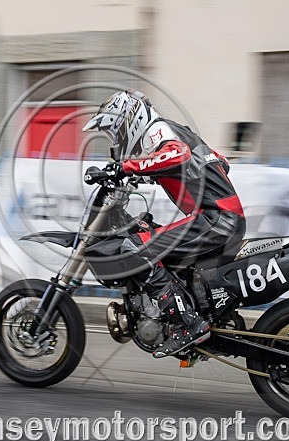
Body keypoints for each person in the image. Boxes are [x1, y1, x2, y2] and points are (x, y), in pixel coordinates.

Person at [82, 89, 247, 358]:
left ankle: (187, 323)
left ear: (128, 121)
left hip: (215, 220)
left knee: (133, 248)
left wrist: (127, 167)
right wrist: (153, 174)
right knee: (150, 238)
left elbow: (178, 155)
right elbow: (221, 162)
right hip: (220, 219)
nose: (118, 140)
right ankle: (188, 313)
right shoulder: (176, 130)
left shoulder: (156, 131)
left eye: (117, 132)